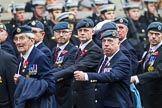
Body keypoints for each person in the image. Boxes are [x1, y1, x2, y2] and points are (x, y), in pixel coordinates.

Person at [74, 30, 133, 108]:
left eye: (110, 41)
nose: (106, 44)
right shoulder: (104, 59)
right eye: (104, 41)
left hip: (116, 104)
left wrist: (86, 76)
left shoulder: (122, 60)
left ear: (118, 43)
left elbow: (111, 76)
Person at [52, 18, 103, 108]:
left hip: (87, 97)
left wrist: (51, 76)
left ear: (92, 32)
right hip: (74, 96)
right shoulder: (78, 49)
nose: (82, 33)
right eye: (80, 30)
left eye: (86, 30)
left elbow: (76, 67)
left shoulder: (95, 50)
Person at [12, 25, 57, 108]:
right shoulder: (20, 57)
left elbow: (50, 87)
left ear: (32, 40)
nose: (18, 42)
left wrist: (22, 81)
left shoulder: (40, 57)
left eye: (22, 38)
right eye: (16, 39)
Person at [131, 22, 162, 108]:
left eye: (157, 34)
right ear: (147, 34)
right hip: (147, 95)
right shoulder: (148, 47)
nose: (153, 36)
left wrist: (137, 78)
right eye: (151, 33)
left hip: (158, 98)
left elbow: (158, 72)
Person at [52, 21, 78, 108]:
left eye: (64, 32)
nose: (61, 35)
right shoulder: (54, 50)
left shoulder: (73, 50)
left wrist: (46, 74)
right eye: (58, 32)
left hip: (65, 93)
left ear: (70, 34)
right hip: (53, 92)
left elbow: (65, 68)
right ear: (54, 34)